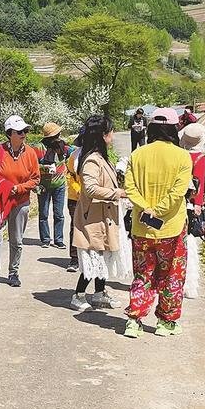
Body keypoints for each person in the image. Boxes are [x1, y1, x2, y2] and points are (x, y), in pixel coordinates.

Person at [123, 107, 192, 339]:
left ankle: (134, 320)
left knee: (143, 274)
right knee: (172, 273)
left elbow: (130, 188)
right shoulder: (183, 157)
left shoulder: (137, 155)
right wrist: (159, 211)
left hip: (142, 226)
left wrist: (146, 208)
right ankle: (166, 322)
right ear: (174, 128)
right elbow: (178, 193)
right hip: (171, 227)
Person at [70, 115, 125, 312]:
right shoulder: (92, 160)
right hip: (92, 217)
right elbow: (91, 189)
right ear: (103, 135)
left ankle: (100, 293)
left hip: (103, 215)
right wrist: (115, 193)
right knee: (92, 256)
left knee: (102, 255)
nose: (113, 135)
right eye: (111, 131)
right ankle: (78, 295)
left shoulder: (102, 158)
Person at [0, 115, 40, 291]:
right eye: (20, 131)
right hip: (1, 202)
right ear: (10, 134)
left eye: (25, 131)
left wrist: (19, 188)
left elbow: (35, 179)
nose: (24, 134)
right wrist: (2, 187)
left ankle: (13, 272)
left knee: (17, 239)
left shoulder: (30, 153)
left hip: (20, 201)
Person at [180, 123, 205, 300]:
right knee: (190, 245)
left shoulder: (180, 155)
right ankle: (190, 285)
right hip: (191, 205)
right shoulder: (200, 158)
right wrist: (198, 204)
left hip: (178, 202)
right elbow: (199, 184)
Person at [34, 121, 71, 250]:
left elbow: (72, 156)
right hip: (44, 185)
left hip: (59, 184)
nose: (59, 136)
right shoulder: (39, 148)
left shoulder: (63, 146)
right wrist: (44, 168)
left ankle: (59, 240)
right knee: (43, 213)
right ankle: (45, 239)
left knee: (59, 214)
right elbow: (32, 167)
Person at [65, 131, 83, 273]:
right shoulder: (74, 156)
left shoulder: (98, 155)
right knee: (75, 227)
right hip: (75, 197)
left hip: (92, 198)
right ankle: (74, 258)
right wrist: (78, 189)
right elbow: (70, 176)